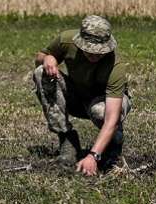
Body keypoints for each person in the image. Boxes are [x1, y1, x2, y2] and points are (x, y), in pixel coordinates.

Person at [33, 15, 132, 176]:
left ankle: (113, 146)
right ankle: (67, 140)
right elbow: (39, 57)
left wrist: (93, 156)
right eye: (89, 51)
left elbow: (111, 119)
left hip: (104, 103)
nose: (94, 56)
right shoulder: (66, 40)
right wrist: (48, 58)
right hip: (77, 96)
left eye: (99, 52)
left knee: (99, 111)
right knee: (41, 73)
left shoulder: (116, 66)